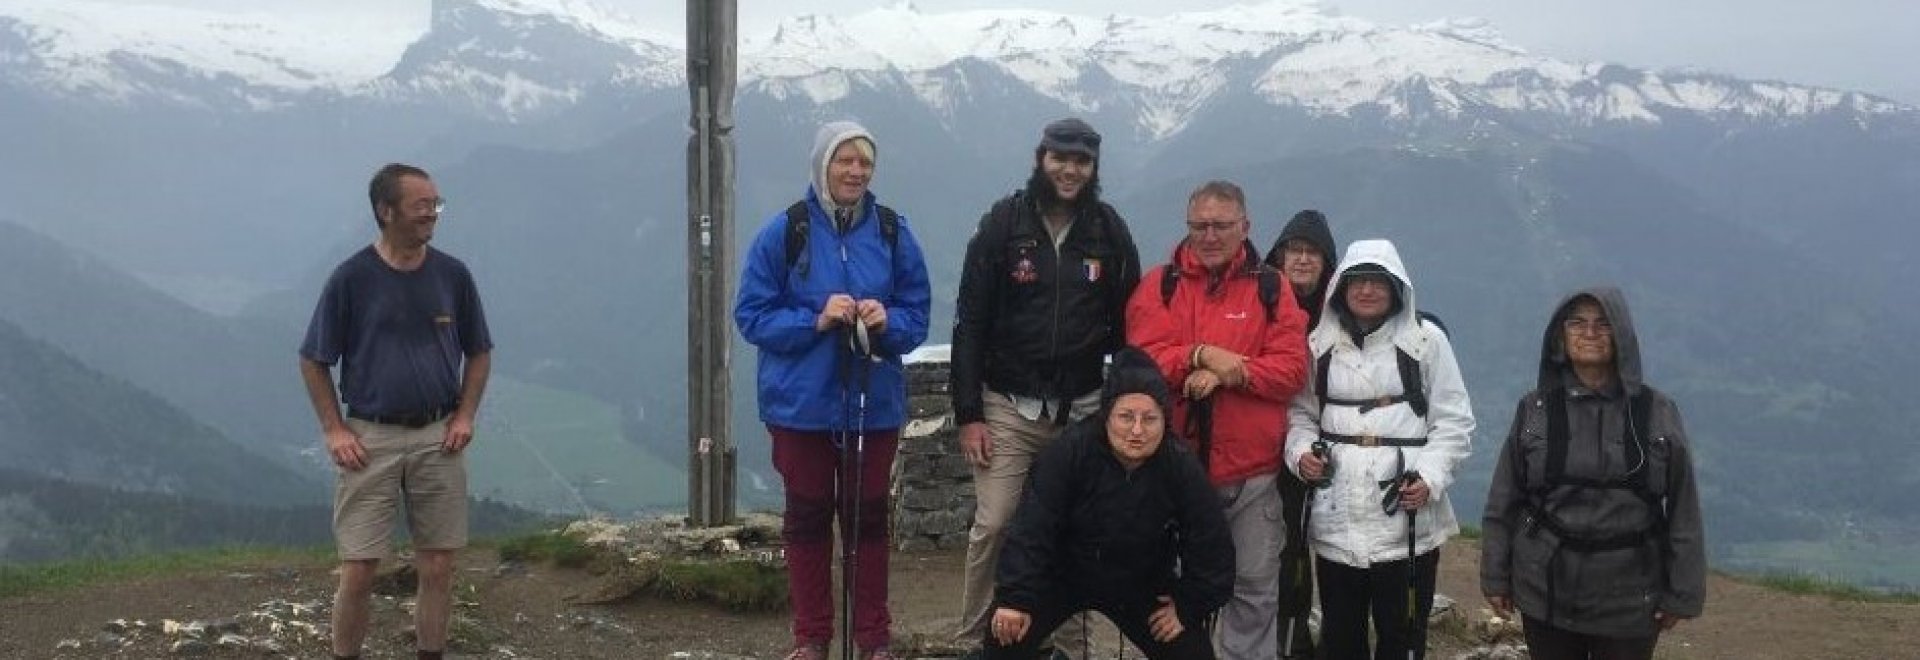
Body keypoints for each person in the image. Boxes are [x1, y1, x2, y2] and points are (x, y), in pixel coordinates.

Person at [734, 121, 932, 660]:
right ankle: (812, 638)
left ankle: (873, 640)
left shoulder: (892, 231)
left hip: (873, 402)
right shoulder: (786, 231)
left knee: (868, 520)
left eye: (864, 162)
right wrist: (815, 320)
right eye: (844, 161)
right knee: (808, 517)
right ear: (823, 165)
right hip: (801, 407)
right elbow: (750, 316)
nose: (855, 171)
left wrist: (887, 320)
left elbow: (918, 318)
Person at [951, 117, 1142, 658]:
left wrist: (1123, 405)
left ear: (1093, 168)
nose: (1070, 170)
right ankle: (975, 639)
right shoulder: (1003, 224)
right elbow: (971, 321)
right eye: (1060, 158)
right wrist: (969, 413)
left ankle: (1055, 639)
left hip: (1082, 406)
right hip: (1006, 403)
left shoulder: (1108, 232)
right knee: (995, 523)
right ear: (1041, 159)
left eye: (1081, 161)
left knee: (1071, 526)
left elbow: (1131, 325)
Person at [299, 163, 494, 660]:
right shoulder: (351, 278)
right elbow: (313, 359)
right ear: (386, 212)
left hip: (438, 432)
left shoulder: (453, 275)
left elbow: (479, 350)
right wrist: (334, 429)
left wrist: (466, 415)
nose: (433, 214)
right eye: (421, 206)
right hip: (371, 437)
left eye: (436, 204)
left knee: (437, 565)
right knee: (359, 567)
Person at [1126, 181, 1309, 659]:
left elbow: (1292, 370)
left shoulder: (1272, 288)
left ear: (1245, 227)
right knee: (1174, 592)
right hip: (1174, 471)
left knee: (1252, 589)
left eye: (1221, 226)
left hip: (1252, 474)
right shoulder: (1159, 285)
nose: (1209, 236)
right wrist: (1199, 356)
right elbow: (1140, 360)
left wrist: (1237, 372)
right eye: (1199, 226)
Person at [1480, 288, 1705, 660]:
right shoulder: (1535, 409)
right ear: (1560, 336)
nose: (1590, 333)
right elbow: (1504, 499)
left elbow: (1684, 508)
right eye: (1577, 323)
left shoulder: (1656, 412)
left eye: (1604, 324)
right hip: (1545, 587)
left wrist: (1682, 592)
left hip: (1631, 594)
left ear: (1622, 337)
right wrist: (1495, 575)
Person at [1285, 239, 1473, 660]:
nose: (1366, 290)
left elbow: (1454, 422)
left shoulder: (1427, 344)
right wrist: (1301, 457)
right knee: (1341, 640)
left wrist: (1429, 478)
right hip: (1338, 520)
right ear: (1340, 288)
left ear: (1396, 288)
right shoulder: (1319, 347)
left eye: (1377, 282)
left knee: (1402, 639)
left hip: (1405, 521)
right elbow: (1299, 416)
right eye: (1357, 281)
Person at [985, 347, 1235, 660]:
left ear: (1165, 420)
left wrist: (1187, 607)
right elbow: (1032, 527)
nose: (1137, 431)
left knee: (1190, 651)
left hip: (1141, 581)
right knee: (1005, 636)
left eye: (1150, 419)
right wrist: (1016, 598)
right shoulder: (1069, 452)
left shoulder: (1179, 465)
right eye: (1126, 417)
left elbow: (1211, 543)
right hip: (1064, 574)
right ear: (1106, 416)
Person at [1262, 208, 1336, 659]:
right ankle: (1290, 641)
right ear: (1281, 256)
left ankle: (1328, 636)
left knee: (1327, 546)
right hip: (1267, 442)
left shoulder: (1339, 312)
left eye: (1314, 253)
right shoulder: (1262, 301)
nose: (1303, 260)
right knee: (1286, 548)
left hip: (1321, 442)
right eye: (1295, 251)